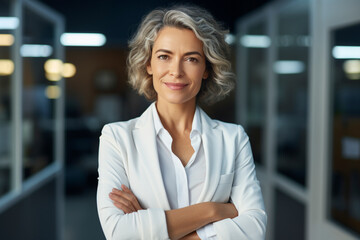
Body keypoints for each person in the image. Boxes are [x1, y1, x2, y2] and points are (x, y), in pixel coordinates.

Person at [97, 5, 267, 240]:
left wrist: (151, 228)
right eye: (164, 56)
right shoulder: (117, 138)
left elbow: (255, 228)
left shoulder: (233, 139)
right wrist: (214, 210)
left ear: (206, 68)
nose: (176, 71)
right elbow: (119, 232)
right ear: (149, 64)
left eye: (191, 59)